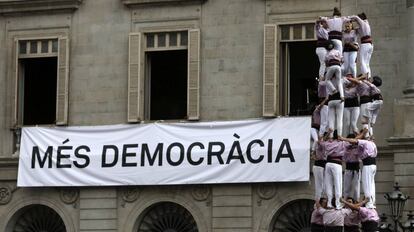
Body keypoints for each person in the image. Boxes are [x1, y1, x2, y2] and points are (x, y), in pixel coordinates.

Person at [339, 129, 377, 209]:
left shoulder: (364, 143)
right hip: (371, 165)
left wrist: (343, 138)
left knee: (366, 185)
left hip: (366, 165)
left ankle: (368, 203)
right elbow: (354, 141)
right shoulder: (372, 143)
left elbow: (355, 140)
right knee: (371, 185)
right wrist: (361, 133)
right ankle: (371, 202)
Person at [323, 130, 348, 209]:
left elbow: (321, 142)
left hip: (328, 164)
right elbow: (352, 142)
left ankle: (329, 203)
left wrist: (327, 136)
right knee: (338, 184)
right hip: (337, 164)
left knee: (329, 184)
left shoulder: (328, 143)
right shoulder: (342, 143)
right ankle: (338, 204)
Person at [325, 41, 344, 138]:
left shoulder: (327, 53)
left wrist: (332, 90)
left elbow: (326, 63)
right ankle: (340, 135)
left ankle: (331, 136)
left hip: (331, 99)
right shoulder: (337, 51)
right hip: (338, 66)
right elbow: (342, 60)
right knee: (339, 119)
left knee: (326, 80)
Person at [351, 13, 373, 78]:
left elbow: (356, 17)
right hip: (370, 44)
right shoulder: (366, 24)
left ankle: (365, 75)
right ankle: (368, 76)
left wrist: (349, 18)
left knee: (362, 61)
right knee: (366, 62)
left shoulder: (363, 23)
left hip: (365, 44)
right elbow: (356, 30)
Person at [343, 134, 361, 202]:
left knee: (356, 187)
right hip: (348, 167)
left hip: (356, 167)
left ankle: (357, 201)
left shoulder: (358, 147)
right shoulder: (345, 147)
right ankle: (345, 201)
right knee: (346, 186)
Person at [313, 135, 327, 202]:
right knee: (319, 185)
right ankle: (318, 202)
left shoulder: (327, 145)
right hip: (319, 165)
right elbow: (319, 143)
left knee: (325, 185)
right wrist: (326, 135)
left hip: (324, 165)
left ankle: (324, 201)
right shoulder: (319, 144)